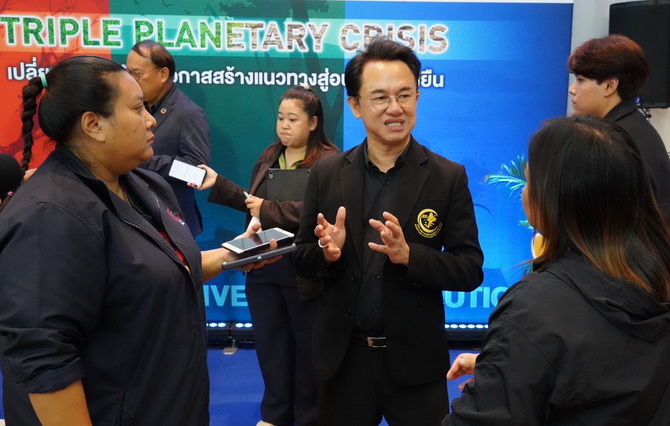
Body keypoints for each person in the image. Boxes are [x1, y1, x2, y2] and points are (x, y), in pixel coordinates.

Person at [0, 55, 275, 425]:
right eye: (136, 108)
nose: (150, 120)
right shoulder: (48, 215)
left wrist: (235, 253)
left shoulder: (145, 185)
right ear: (93, 124)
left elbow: (165, 269)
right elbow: (46, 363)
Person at [292, 37, 484, 425]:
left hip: (415, 363)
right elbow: (302, 259)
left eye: (405, 95)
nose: (395, 108)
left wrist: (410, 256)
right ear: (355, 105)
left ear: (417, 98)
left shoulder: (447, 177)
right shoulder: (327, 173)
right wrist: (327, 254)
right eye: (380, 98)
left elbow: (468, 270)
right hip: (343, 360)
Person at [443, 116, 670, 426]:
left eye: (529, 181)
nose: (524, 192)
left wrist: (505, 372)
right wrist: (509, 364)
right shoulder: (657, 278)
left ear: (554, 198)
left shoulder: (534, 310)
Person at [194, 85, 339, 426]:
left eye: (293, 119)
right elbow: (253, 206)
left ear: (313, 123)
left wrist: (269, 209)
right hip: (263, 269)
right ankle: (275, 414)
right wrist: (219, 184)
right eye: (280, 117)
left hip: (304, 271)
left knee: (307, 350)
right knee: (271, 347)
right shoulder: (271, 154)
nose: (284, 125)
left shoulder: (330, 161)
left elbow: (321, 211)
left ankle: (308, 417)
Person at [568, 34, 670, 224]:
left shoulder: (617, 141)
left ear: (610, 86)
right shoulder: (634, 128)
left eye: (580, 80)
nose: (572, 89)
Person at [126, 40, 211, 237]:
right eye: (127, 72)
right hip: (137, 218)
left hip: (173, 225)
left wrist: (144, 161)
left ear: (163, 74)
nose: (130, 80)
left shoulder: (188, 113)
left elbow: (197, 172)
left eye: (137, 74)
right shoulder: (134, 107)